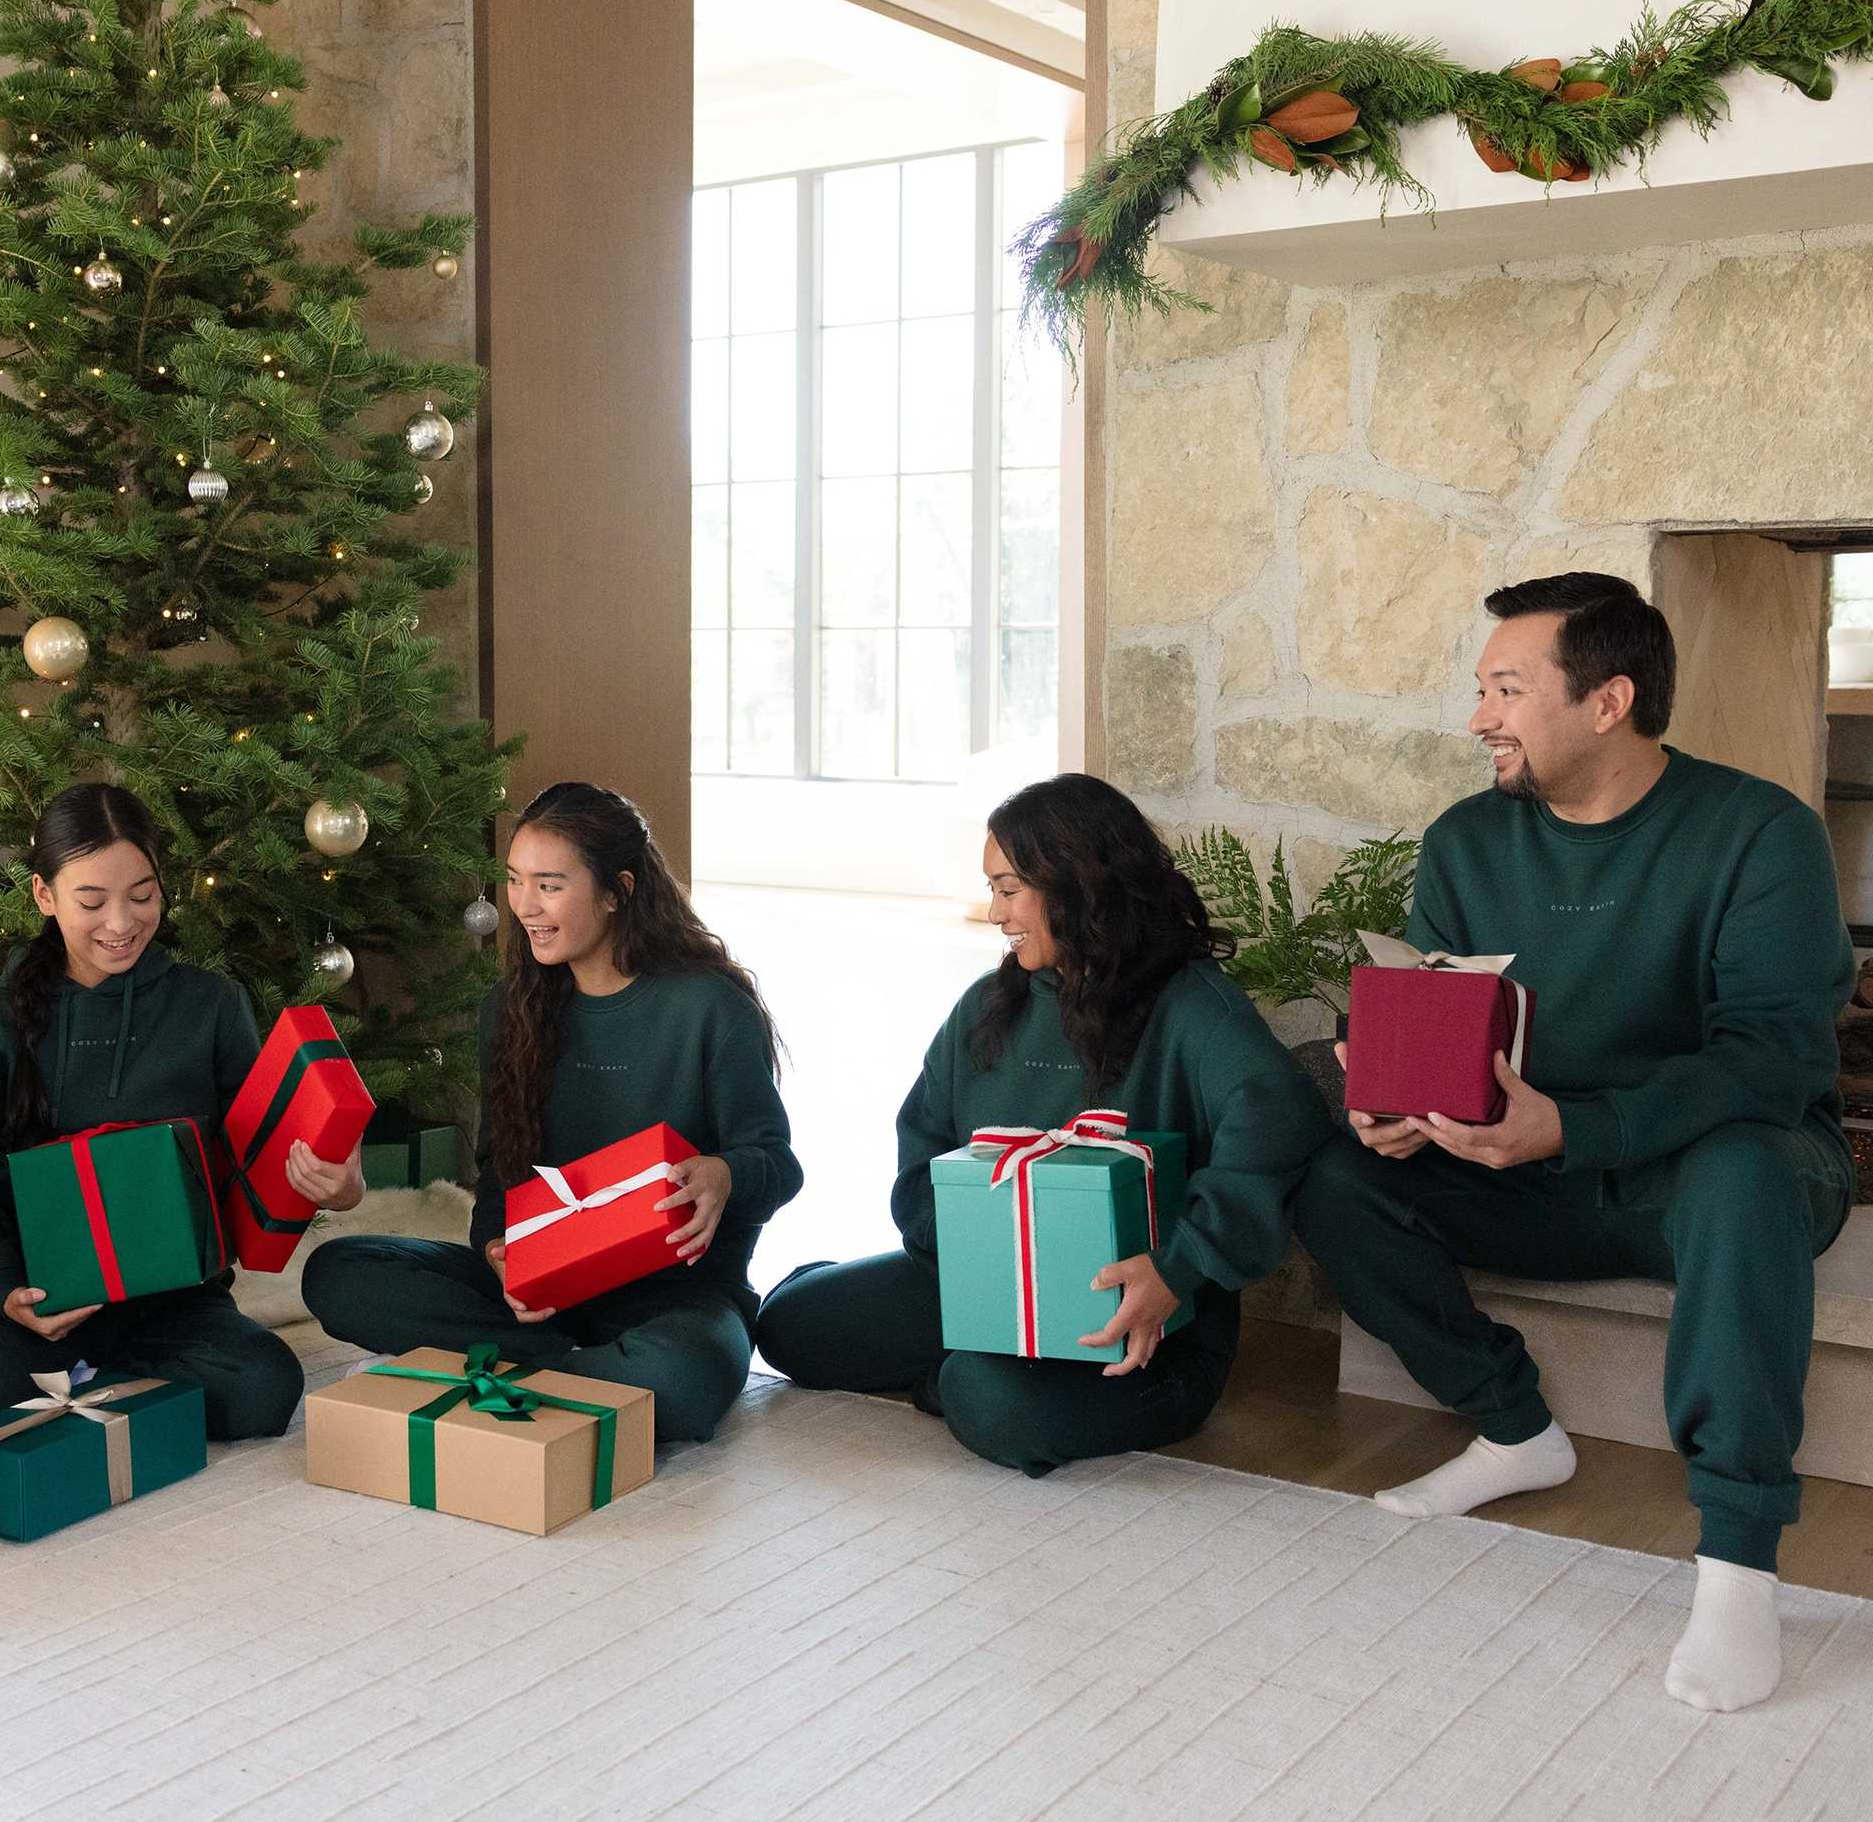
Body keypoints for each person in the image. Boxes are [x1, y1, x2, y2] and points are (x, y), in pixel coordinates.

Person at [1293, 572, 1854, 1714]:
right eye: (1482, 689)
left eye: (1507, 689)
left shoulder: (1760, 834)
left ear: (1609, 701)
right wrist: (1397, 1105)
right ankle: (1515, 1429)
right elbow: (1448, 1019)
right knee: (1320, 1162)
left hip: (1704, 1174)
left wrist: (1578, 1127)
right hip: (1528, 1161)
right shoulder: (1466, 841)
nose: (1479, 717)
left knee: (1743, 1171)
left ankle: (1738, 1564)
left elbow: (1774, 1062)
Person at [755, 772, 1333, 1476]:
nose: (995, 912)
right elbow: (925, 1143)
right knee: (789, 1327)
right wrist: (956, 1248)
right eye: (993, 889)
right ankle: (967, 1361)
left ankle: (965, 1376)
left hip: (1137, 1321)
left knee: (991, 1402)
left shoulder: (1193, 1008)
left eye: (1008, 889)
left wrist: (1178, 1267)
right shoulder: (987, 1006)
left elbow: (1283, 1121)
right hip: (981, 1289)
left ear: (1076, 883)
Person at [303, 782, 799, 1442]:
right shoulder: (511, 1010)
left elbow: (777, 1164)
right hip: (544, 1295)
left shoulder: (710, 1006)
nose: (525, 905)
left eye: (550, 885)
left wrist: (726, 1173)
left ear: (617, 891)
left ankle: (516, 1370)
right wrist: (497, 1252)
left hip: (678, 1300)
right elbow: (498, 1177)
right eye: (514, 880)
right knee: (338, 1273)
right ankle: (576, 1373)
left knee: (678, 1380)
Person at [0, 782, 361, 1436]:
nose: (121, 924)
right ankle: (112, 1391)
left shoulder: (212, 1004)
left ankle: (93, 1395)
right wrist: (5, 1291)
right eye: (92, 901)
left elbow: (258, 1157)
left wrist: (339, 1184)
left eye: (142, 896)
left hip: (178, 1306)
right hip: (44, 1301)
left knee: (264, 1389)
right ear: (44, 895)